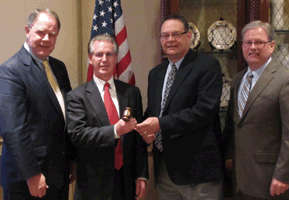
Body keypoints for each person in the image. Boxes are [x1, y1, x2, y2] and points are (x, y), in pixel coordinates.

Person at [135, 15, 224, 200]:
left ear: (189, 36)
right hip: (166, 170)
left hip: (199, 172)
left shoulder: (207, 66)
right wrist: (142, 128)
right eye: (165, 35)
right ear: (160, 40)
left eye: (176, 34)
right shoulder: (156, 74)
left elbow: (204, 111)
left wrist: (159, 124)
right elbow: (154, 112)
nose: (170, 40)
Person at [0, 8, 75, 200]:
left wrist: (71, 161)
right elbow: (13, 130)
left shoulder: (59, 67)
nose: (46, 39)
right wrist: (32, 174)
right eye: (41, 32)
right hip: (27, 179)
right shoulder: (10, 71)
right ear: (27, 30)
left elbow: (64, 118)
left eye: (52, 34)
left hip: (58, 173)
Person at [223, 20, 289, 199]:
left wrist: (284, 175)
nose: (253, 47)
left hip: (272, 180)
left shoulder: (288, 80)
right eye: (248, 42)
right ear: (242, 46)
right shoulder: (237, 80)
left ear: (271, 45)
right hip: (241, 179)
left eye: (259, 42)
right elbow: (234, 126)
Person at [66, 34, 148, 200]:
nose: (104, 59)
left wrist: (141, 175)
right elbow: (78, 135)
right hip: (92, 184)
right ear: (90, 58)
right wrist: (114, 131)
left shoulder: (131, 93)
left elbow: (138, 140)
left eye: (109, 54)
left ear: (116, 58)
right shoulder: (77, 96)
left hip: (125, 180)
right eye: (98, 54)